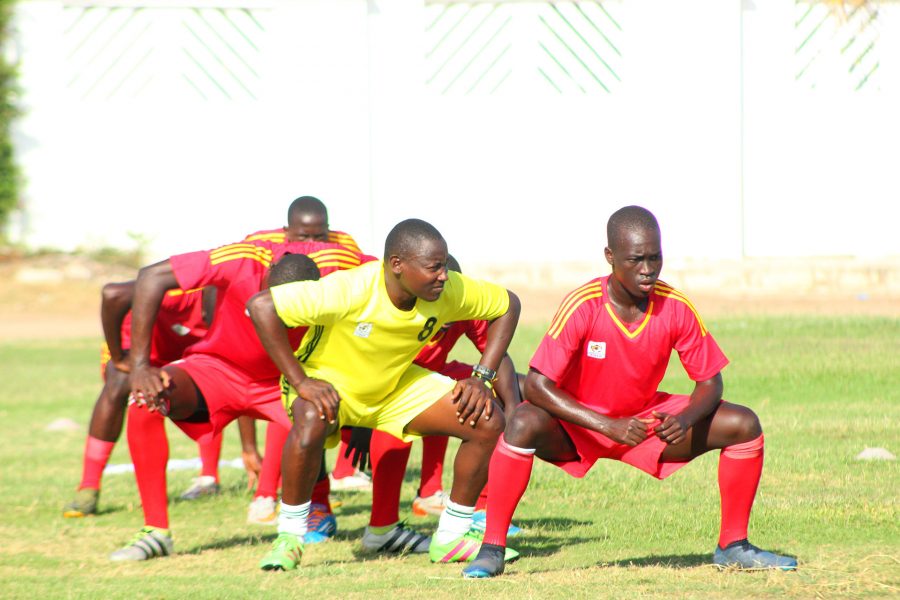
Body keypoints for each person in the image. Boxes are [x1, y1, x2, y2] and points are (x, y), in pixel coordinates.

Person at [462, 206, 799, 578]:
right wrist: (607, 425)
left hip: (642, 424)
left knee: (743, 423)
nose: (648, 269)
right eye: (636, 259)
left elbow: (710, 382)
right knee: (523, 420)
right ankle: (492, 548)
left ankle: (733, 545)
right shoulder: (583, 304)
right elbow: (539, 386)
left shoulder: (675, 305)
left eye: (655, 257)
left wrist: (685, 419)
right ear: (610, 257)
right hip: (578, 425)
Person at [247, 218, 521, 571]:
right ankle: (289, 537)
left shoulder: (448, 290)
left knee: (486, 419)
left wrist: (482, 377)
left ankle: (451, 537)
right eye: (433, 267)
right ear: (396, 265)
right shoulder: (351, 288)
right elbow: (261, 307)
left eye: (444, 265)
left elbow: (507, 305)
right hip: (330, 384)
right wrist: (301, 382)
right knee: (311, 417)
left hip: (392, 386)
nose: (443, 276)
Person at [111, 240, 365, 561]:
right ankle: (156, 531)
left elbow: (398, 283)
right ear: (268, 275)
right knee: (144, 399)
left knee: (319, 415)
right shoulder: (244, 260)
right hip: (218, 369)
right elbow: (151, 276)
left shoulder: (339, 269)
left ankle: (331, 510)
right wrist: (140, 366)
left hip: (285, 382)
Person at [61, 281, 250, 517]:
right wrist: (119, 357)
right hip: (139, 347)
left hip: (188, 354)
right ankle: (88, 487)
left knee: (211, 382)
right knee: (118, 383)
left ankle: (208, 478)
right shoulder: (177, 294)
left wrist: (249, 448)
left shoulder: (233, 308)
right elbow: (113, 293)